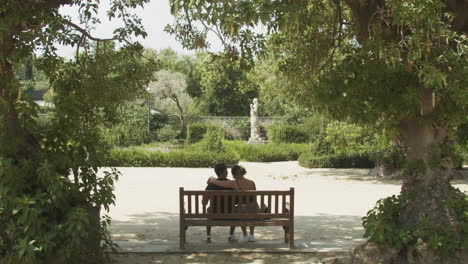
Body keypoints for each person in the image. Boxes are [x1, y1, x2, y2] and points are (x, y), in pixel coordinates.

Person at [208, 165, 258, 243]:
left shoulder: (234, 183)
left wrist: (211, 177)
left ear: (234, 175)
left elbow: (218, 182)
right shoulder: (252, 182)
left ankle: (245, 235)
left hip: (242, 210)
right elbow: (254, 199)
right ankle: (251, 235)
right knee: (250, 207)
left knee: (238, 209)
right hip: (254, 208)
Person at [202, 163, 235, 241]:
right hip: (230, 213)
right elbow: (236, 201)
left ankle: (208, 235)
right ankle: (231, 234)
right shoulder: (231, 184)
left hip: (214, 213)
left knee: (209, 210)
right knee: (234, 209)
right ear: (223, 172)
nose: (227, 172)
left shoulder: (210, 185)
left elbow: (204, 202)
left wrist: (204, 202)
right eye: (226, 170)